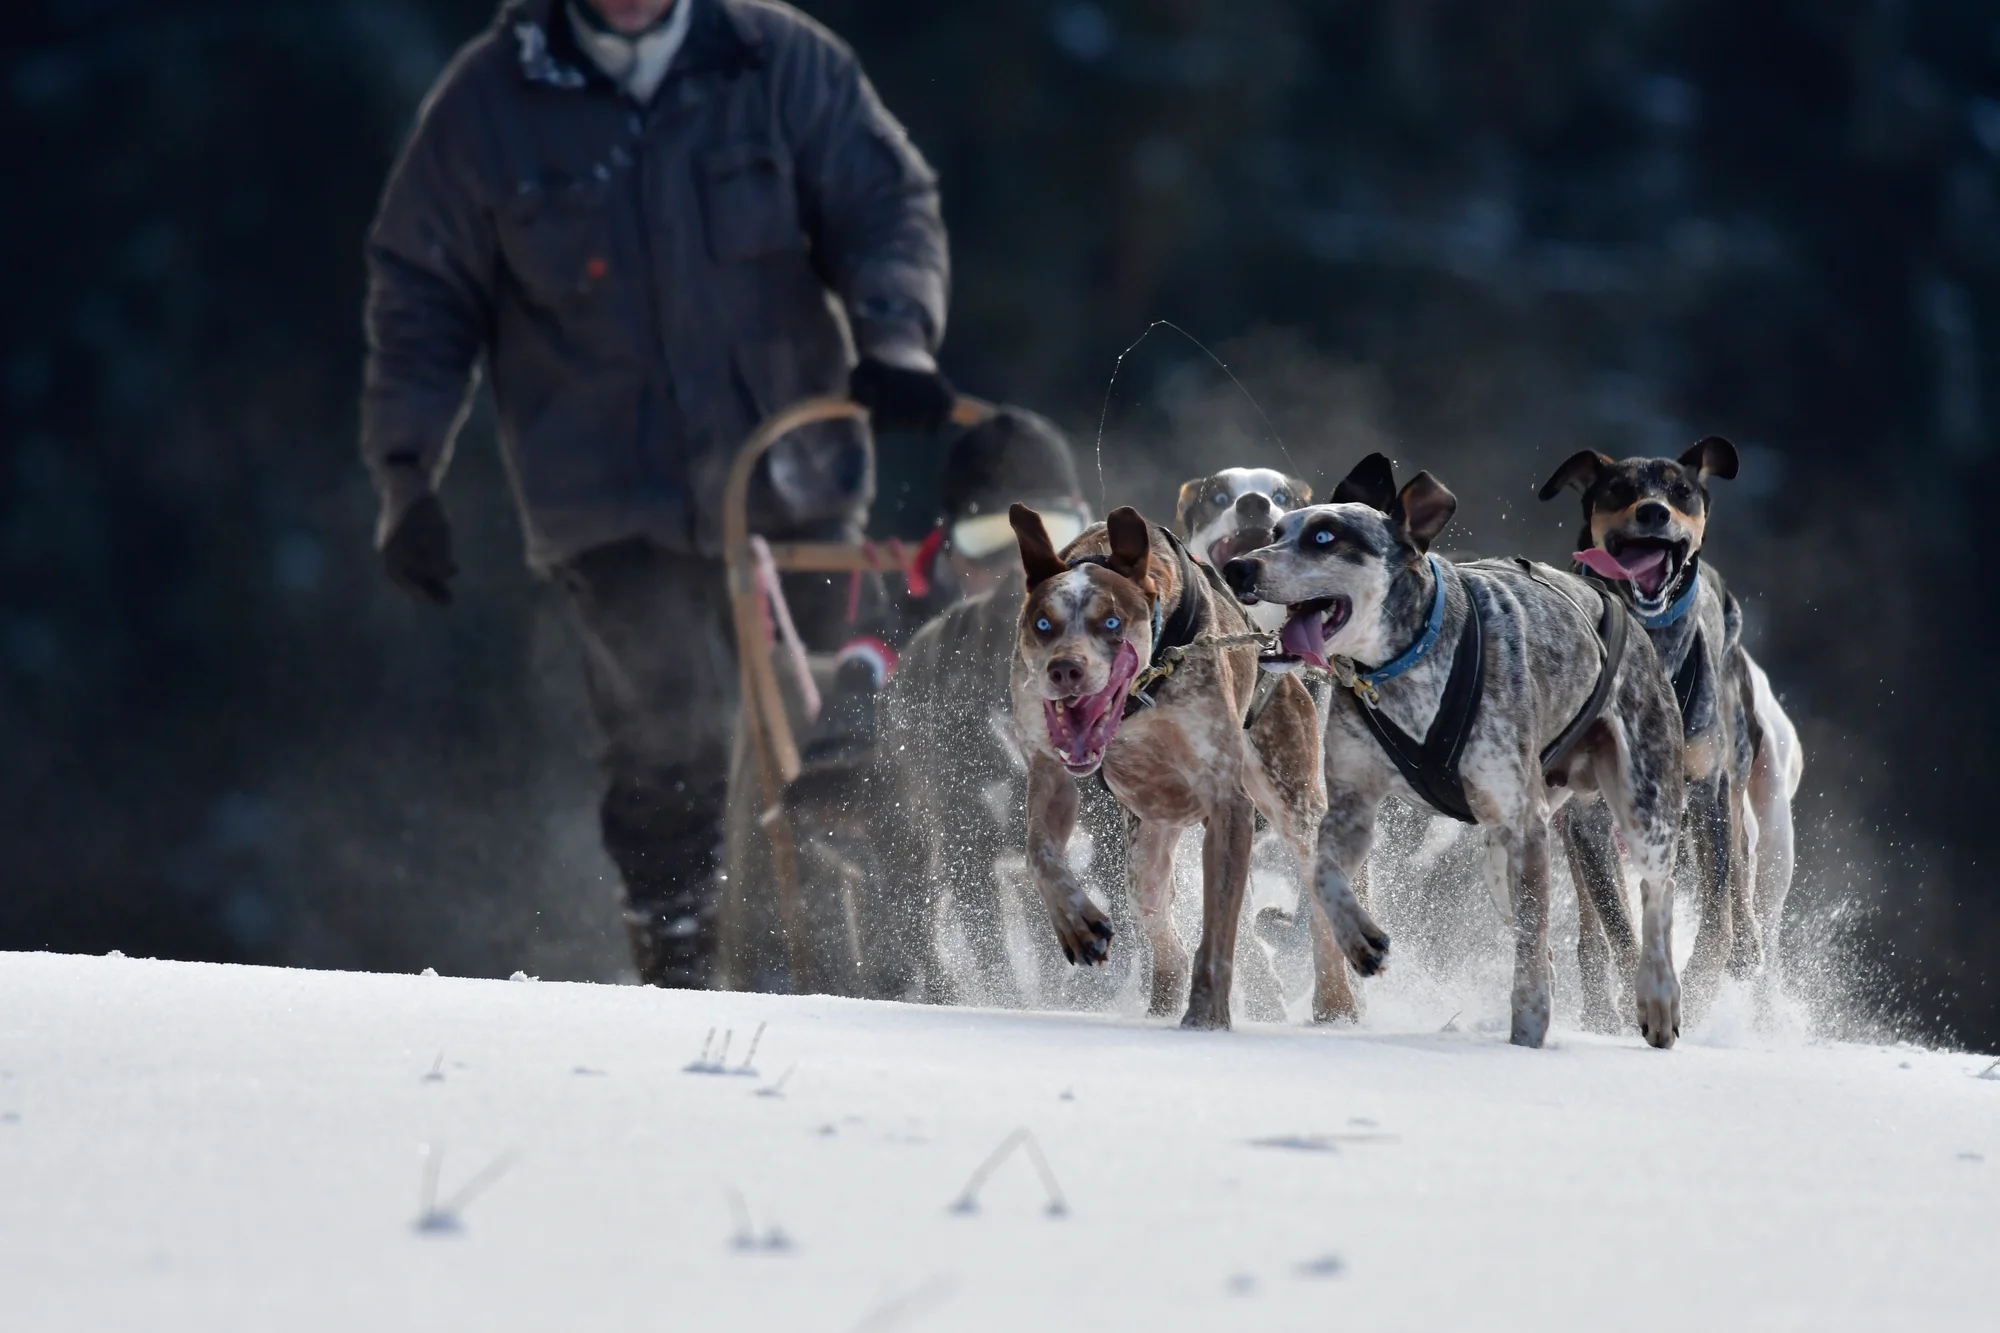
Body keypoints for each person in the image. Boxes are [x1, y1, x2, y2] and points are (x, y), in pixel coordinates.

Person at [359, 0, 953, 988]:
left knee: (837, 721)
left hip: (789, 477)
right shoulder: (488, 104)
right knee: (661, 740)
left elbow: (883, 203)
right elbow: (420, 295)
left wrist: (894, 336)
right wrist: (405, 475)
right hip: (607, 501)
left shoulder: (777, 61)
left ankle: (892, 955)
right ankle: (679, 966)